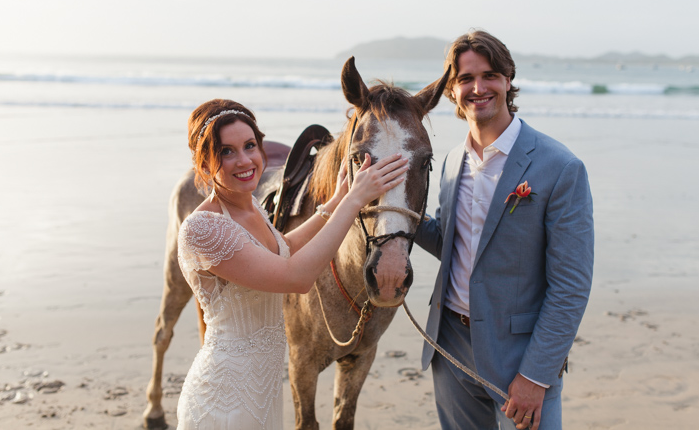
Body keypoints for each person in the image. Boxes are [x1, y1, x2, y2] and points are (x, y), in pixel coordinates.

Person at [175, 99, 408, 429]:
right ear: (204, 163)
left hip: (262, 393)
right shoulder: (203, 229)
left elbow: (281, 248)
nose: (244, 160)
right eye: (226, 151)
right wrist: (355, 200)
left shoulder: (250, 209)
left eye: (250, 146)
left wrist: (338, 198)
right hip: (224, 399)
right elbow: (296, 277)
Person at [415, 31, 594, 430]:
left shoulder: (560, 167)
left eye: (490, 75)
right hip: (450, 347)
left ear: (508, 80)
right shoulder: (450, 161)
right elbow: (452, 242)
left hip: (519, 355)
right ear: (452, 88)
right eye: (465, 78)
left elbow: (571, 286)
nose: (478, 88)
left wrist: (536, 376)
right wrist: (393, 211)